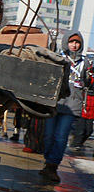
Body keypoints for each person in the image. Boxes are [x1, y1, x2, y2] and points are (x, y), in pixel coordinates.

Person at [39, 33, 93, 183]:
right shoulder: (58, 58)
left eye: (77, 42)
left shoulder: (86, 62)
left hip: (73, 104)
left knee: (61, 136)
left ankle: (52, 165)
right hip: (55, 102)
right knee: (49, 135)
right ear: (66, 43)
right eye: (71, 42)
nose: (74, 45)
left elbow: (88, 83)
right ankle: (48, 160)